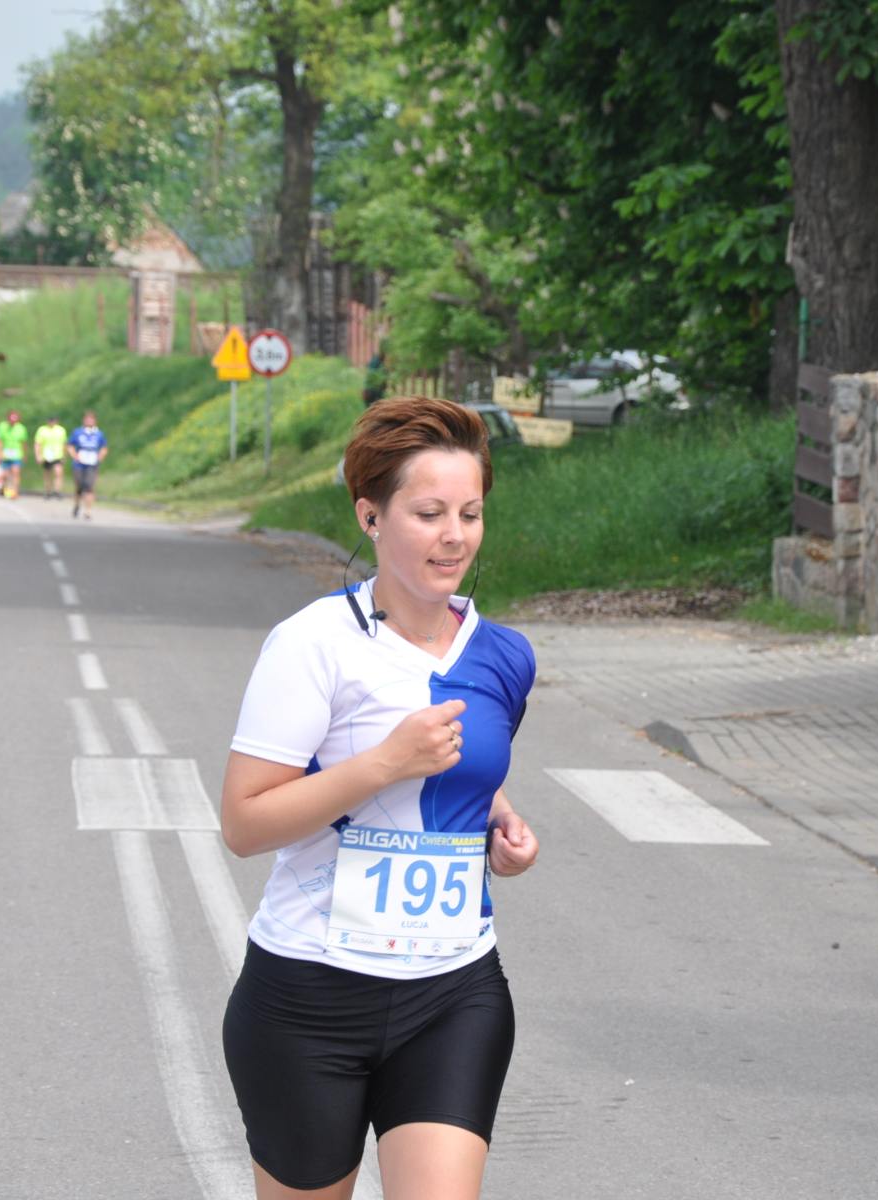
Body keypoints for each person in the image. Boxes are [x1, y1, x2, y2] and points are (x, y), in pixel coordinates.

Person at [220, 395, 539, 1200]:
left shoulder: (504, 655)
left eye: (469, 513)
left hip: (454, 990)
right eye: (429, 514)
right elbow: (245, 823)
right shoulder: (313, 644)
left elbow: (466, 772)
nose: (454, 535)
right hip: (308, 996)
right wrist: (385, 763)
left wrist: (502, 822)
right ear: (370, 516)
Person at [66, 410, 108, 520]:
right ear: (84, 420)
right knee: (79, 486)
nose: (89, 421)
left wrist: (100, 457)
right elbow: (70, 445)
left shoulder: (99, 434)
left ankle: (88, 511)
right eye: (87, 419)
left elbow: (104, 447)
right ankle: (77, 504)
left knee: (89, 486)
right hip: (79, 463)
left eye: (91, 419)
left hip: (92, 463)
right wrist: (74, 455)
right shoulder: (78, 432)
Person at [0, 409, 29, 499]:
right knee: (5, 474)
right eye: (11, 418)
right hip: (5, 454)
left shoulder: (21, 428)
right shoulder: (2, 426)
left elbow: (24, 443)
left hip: (17, 454)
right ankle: (3, 488)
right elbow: (0, 441)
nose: (13, 421)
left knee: (15, 472)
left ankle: (15, 491)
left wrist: (25, 455)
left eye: (15, 419)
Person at [34, 416, 69, 500]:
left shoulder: (61, 430)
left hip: (58, 455)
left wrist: (65, 455)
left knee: (58, 473)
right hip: (46, 455)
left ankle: (57, 490)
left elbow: (64, 443)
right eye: (50, 421)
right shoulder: (42, 430)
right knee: (47, 474)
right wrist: (38, 455)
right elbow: (38, 443)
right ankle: (48, 491)